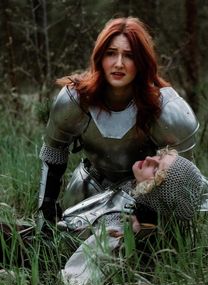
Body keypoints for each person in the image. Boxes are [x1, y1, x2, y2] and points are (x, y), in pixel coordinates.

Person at [38, 16, 199, 225]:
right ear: (100, 58)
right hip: (85, 192)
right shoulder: (75, 100)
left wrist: (151, 219)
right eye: (111, 53)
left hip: (142, 202)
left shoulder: (167, 110)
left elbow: (182, 182)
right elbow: (53, 153)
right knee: (66, 244)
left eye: (129, 56)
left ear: (141, 62)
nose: (119, 64)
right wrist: (45, 212)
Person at [60, 149, 208, 285]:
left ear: (158, 194)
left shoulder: (121, 224)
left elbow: (80, 277)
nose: (149, 158)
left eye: (156, 169)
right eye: (159, 156)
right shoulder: (129, 190)